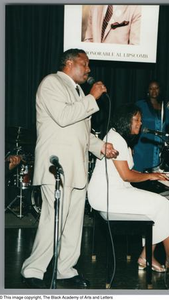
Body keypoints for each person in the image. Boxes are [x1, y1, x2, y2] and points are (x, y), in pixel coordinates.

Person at [21, 48, 118, 289]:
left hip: (77, 168)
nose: (89, 69)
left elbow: (81, 133)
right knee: (52, 220)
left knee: (74, 223)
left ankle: (65, 269)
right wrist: (92, 98)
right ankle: (33, 270)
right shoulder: (51, 83)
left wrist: (101, 146)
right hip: (57, 167)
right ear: (68, 63)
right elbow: (64, 117)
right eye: (84, 64)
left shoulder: (77, 92)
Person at [88, 103, 169, 275]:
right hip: (108, 195)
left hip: (117, 191)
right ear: (125, 120)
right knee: (164, 205)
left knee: (162, 206)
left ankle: (147, 256)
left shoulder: (119, 138)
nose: (139, 123)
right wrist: (151, 176)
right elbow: (126, 175)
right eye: (136, 119)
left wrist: (154, 173)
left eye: (140, 120)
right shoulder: (115, 139)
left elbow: (127, 173)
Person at [133, 80, 169, 172]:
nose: (154, 91)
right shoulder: (140, 105)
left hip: (160, 151)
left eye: (156, 88)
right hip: (143, 147)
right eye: (151, 88)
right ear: (147, 91)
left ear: (160, 90)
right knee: (140, 176)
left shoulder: (166, 108)